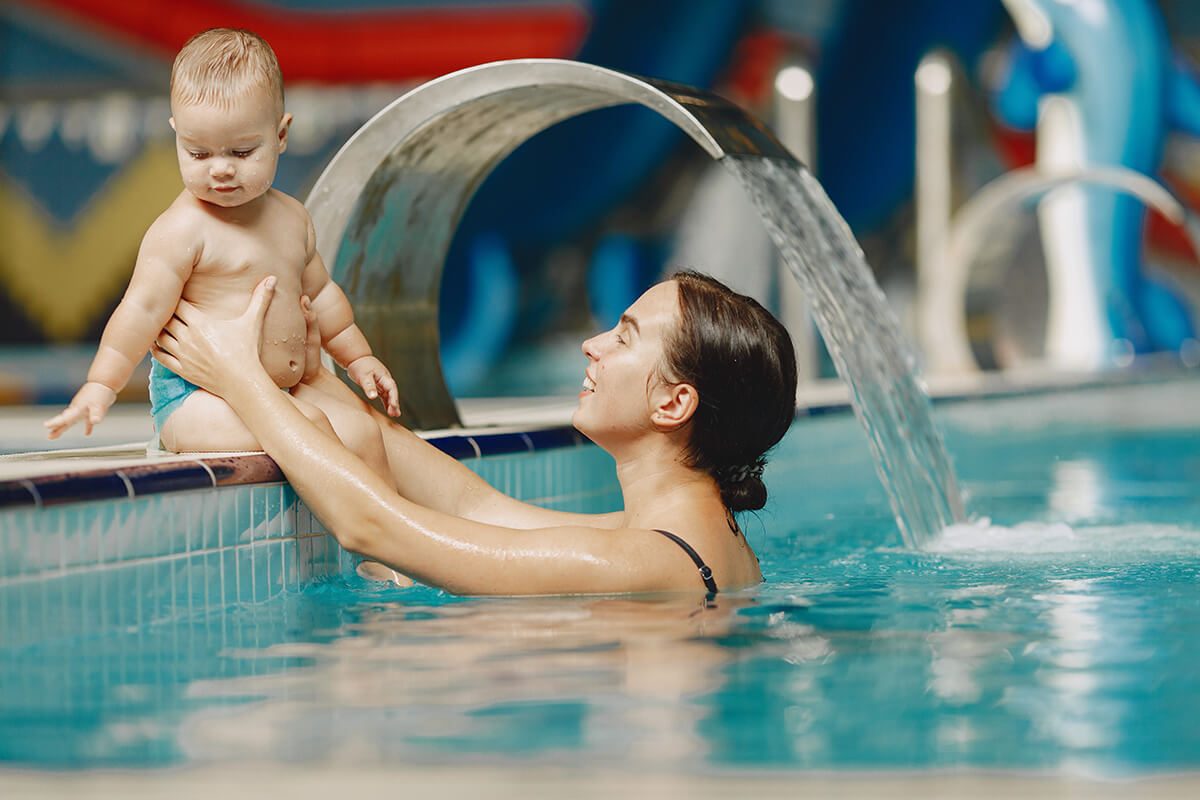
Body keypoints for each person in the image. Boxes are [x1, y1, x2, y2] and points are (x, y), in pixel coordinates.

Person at [151, 270, 798, 596]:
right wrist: (308, 369)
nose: (591, 345)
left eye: (624, 337)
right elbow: (474, 507)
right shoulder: (690, 542)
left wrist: (241, 381)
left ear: (675, 401)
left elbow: (374, 530)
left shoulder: (643, 563)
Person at [43, 28, 399, 483]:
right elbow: (141, 310)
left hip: (280, 393)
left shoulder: (292, 218)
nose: (221, 168)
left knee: (365, 434)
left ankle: (373, 552)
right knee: (311, 429)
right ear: (177, 137)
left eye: (242, 151)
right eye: (198, 152)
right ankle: (350, 541)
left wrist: (359, 358)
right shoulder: (182, 230)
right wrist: (101, 385)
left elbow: (323, 295)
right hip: (197, 402)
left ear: (282, 134)